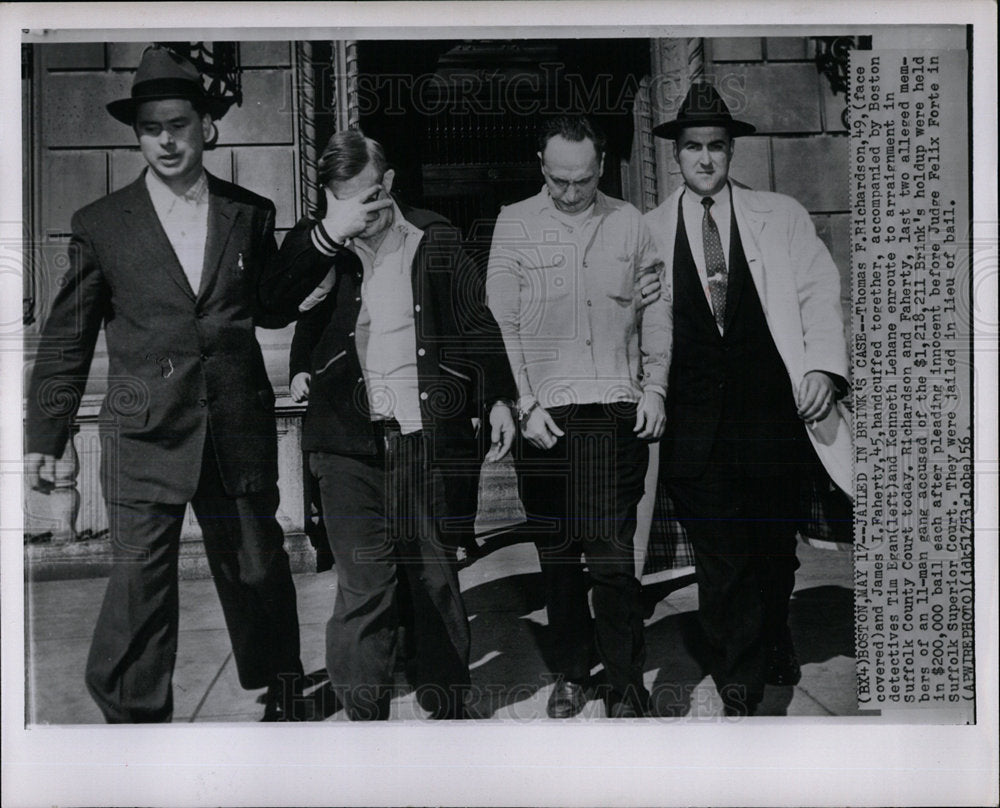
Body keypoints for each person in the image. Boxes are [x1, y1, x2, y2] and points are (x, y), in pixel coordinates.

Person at [24, 46, 304, 723]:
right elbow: (68, 335)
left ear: (205, 126)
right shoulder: (101, 225)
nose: (166, 140)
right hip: (145, 434)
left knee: (258, 572)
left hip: (234, 427)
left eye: (178, 124)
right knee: (139, 586)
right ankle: (131, 716)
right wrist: (46, 432)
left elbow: (269, 306)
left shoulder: (251, 212)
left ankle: (283, 688)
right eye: (152, 128)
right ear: (138, 134)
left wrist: (321, 245)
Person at [259, 130, 517, 721]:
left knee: (434, 574)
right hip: (347, 447)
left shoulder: (436, 236)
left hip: (424, 440)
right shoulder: (317, 244)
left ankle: (446, 702)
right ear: (329, 199)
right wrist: (327, 235)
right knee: (365, 584)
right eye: (347, 202)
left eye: (371, 199)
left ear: (391, 183)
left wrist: (500, 397)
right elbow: (270, 307)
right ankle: (364, 716)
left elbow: (477, 323)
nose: (363, 215)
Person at [645, 82, 852, 716]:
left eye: (714, 146)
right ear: (675, 157)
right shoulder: (648, 231)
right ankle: (741, 688)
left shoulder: (779, 214)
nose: (704, 159)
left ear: (730, 151)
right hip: (694, 431)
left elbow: (820, 292)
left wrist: (823, 369)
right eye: (691, 148)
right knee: (722, 565)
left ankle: (776, 634)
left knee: (769, 554)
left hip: (772, 422)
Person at [486, 115, 671, 718]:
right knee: (560, 559)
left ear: (602, 166)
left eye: (583, 181)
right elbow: (502, 326)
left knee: (615, 563)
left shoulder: (632, 224)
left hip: (614, 415)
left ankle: (624, 682)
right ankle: (570, 673)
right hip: (547, 419)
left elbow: (657, 313)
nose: (570, 193)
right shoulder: (514, 224)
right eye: (559, 180)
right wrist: (523, 403)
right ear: (541, 164)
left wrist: (656, 387)